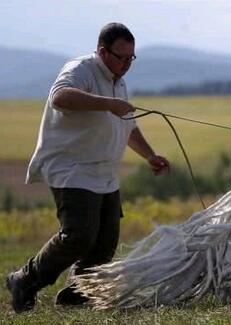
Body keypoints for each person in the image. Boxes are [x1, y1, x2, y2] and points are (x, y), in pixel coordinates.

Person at [5, 22, 170, 313]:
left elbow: (127, 126)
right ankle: (24, 280)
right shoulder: (80, 69)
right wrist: (109, 103)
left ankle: (77, 294)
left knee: (105, 243)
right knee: (79, 234)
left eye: (131, 58)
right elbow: (60, 97)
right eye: (121, 57)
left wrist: (150, 155)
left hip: (105, 173)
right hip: (72, 167)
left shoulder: (119, 81)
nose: (126, 64)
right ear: (102, 51)